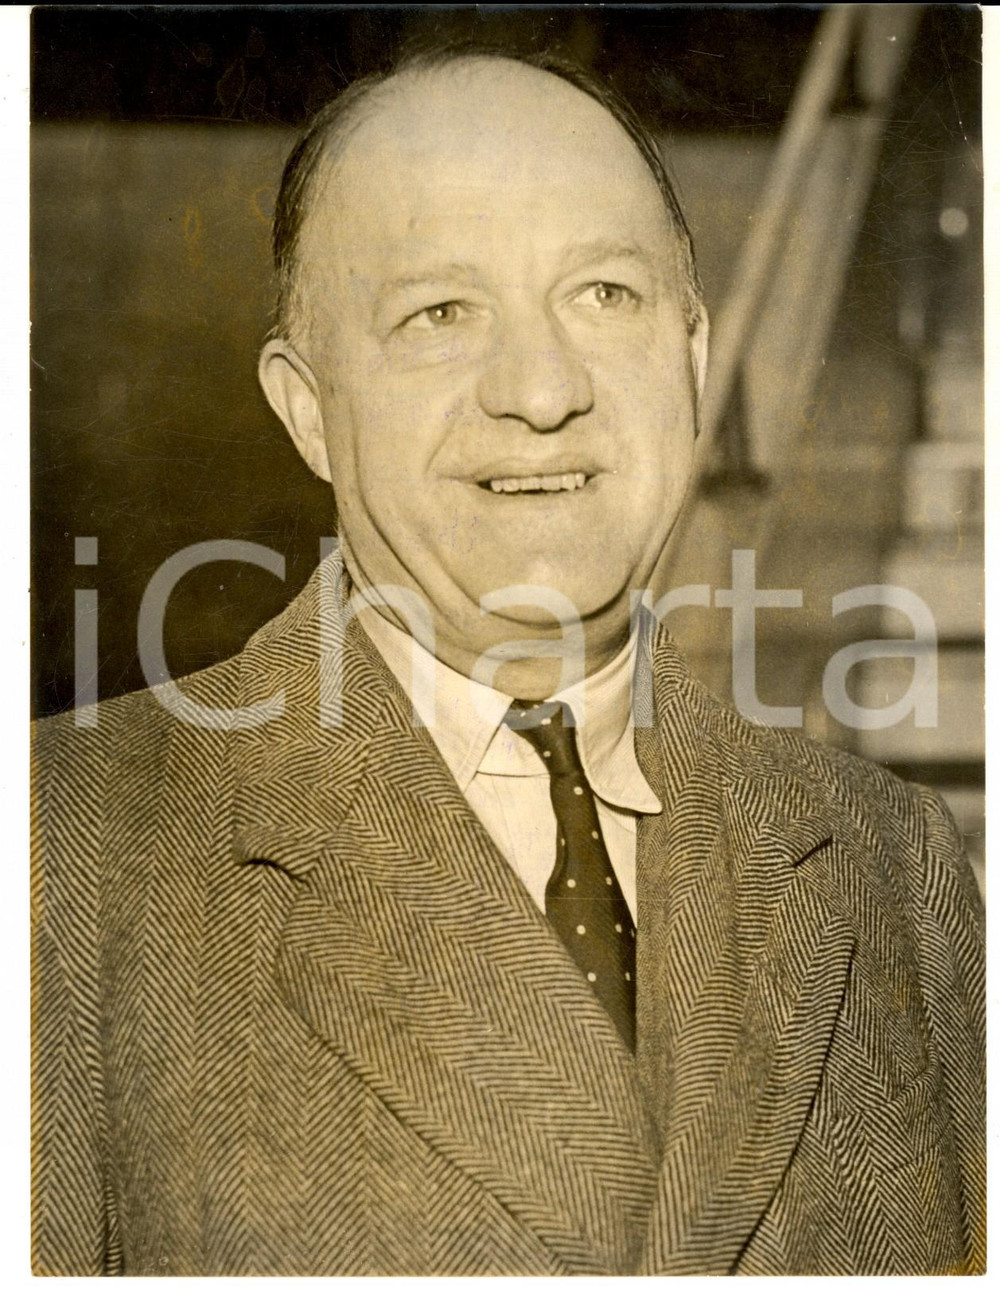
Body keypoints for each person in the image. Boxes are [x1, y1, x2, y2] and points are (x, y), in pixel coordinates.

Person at [31, 44, 984, 1276]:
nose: (541, 391)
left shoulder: (889, 861)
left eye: (603, 296)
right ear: (307, 406)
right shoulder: (60, 851)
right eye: (440, 313)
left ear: (694, 359)